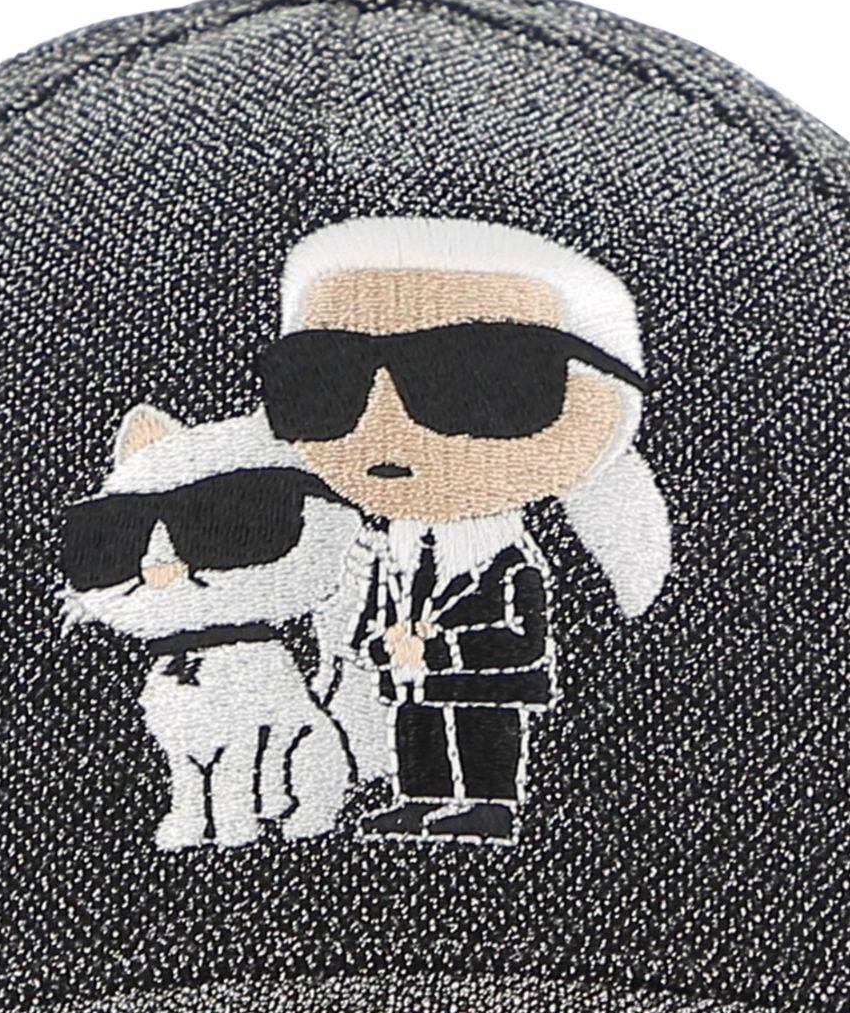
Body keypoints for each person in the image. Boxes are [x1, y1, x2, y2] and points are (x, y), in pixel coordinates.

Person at [258, 216, 671, 840]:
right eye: (325, 382)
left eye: (474, 380)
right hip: (411, 677)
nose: (384, 421)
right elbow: (374, 617)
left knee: (481, 730)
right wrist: (383, 649)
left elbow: (521, 639)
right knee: (417, 727)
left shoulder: (514, 562)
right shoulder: (390, 550)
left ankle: (488, 802)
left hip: (484, 681)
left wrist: (434, 651)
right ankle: (421, 797)